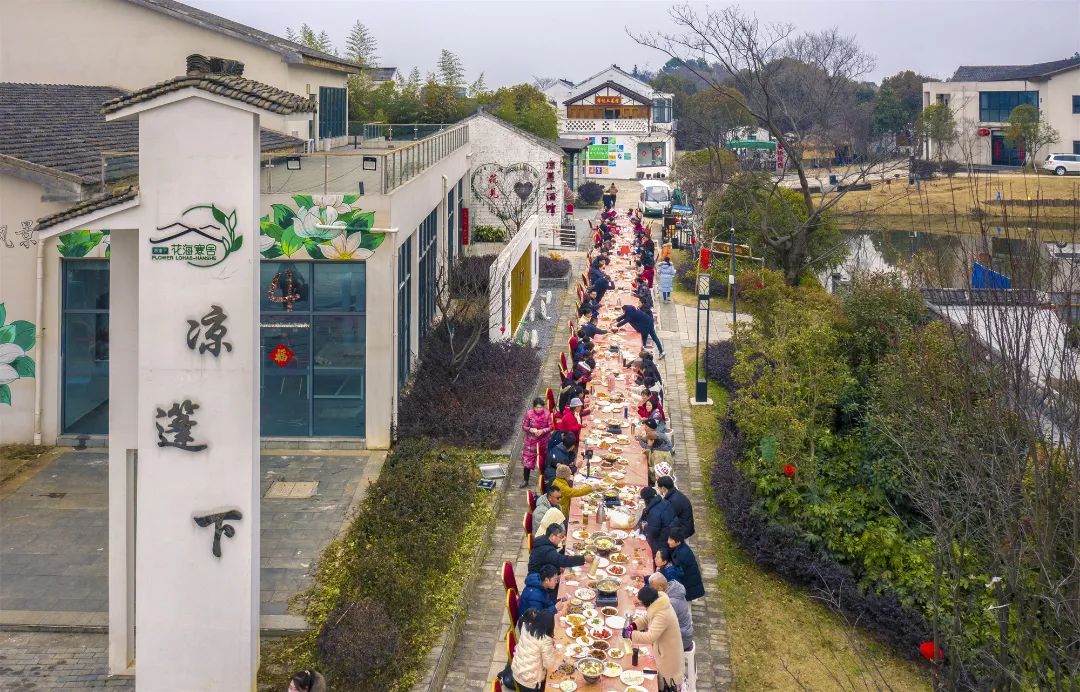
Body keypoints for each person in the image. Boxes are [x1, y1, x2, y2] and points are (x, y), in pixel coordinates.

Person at [629, 585, 684, 692]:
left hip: (668, 655)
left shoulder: (662, 614)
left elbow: (650, 637)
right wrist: (633, 626)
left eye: (642, 603)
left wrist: (630, 635)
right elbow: (647, 618)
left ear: (648, 603)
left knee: (666, 684)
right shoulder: (659, 604)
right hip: (662, 649)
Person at [510, 609, 558, 692]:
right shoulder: (545, 640)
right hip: (530, 682)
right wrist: (553, 650)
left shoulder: (526, 627)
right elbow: (549, 665)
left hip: (517, 672)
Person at [649, 572, 694, 655]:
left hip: (681, 639)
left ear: (660, 587)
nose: (652, 592)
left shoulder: (671, 602)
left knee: (649, 644)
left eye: (653, 589)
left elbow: (659, 624)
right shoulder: (672, 587)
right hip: (681, 631)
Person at [638, 486, 678, 559]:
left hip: (663, 541)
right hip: (670, 533)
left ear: (646, 500)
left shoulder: (654, 512)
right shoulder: (663, 501)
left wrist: (644, 527)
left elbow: (653, 532)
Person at [520, 398, 552, 489]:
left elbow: (550, 427)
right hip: (531, 442)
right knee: (527, 461)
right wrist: (531, 429)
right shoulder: (529, 414)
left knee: (544, 460)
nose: (538, 409)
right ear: (534, 407)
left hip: (543, 441)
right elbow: (524, 426)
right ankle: (525, 480)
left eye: (540, 407)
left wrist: (542, 430)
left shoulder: (547, 414)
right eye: (537, 407)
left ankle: (545, 479)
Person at [667, 527, 705, 601]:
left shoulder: (682, 554)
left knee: (686, 607)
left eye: (671, 540)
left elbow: (677, 573)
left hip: (689, 586)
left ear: (678, 541)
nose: (668, 541)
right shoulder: (681, 547)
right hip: (690, 584)